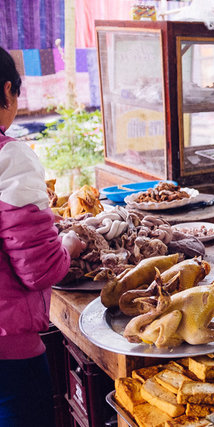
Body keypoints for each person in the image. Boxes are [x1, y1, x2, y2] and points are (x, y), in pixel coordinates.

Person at [0, 46, 85, 426]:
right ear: (7, 91)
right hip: (8, 352)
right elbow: (38, 269)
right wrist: (66, 246)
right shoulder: (10, 157)